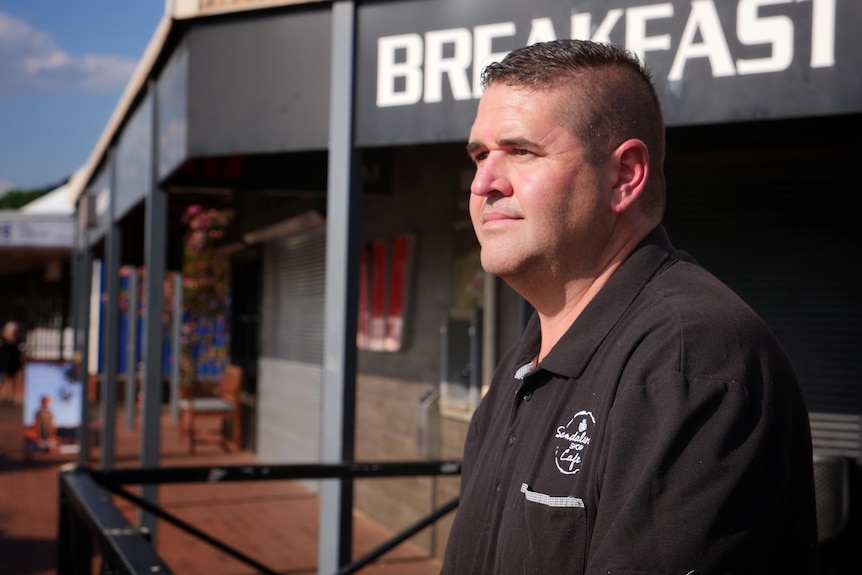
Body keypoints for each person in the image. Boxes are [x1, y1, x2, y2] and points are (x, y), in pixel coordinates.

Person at [441, 40, 818, 574]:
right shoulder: (528, 358)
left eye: (521, 151)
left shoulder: (692, 358)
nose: (483, 185)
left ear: (624, 176)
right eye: (480, 155)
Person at [0, 321, 24, 404]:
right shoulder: (4, 342)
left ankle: (12, 397)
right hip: (5, 363)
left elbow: (21, 354)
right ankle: (6, 396)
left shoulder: (18, 342)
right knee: (5, 380)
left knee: (13, 380)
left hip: (14, 363)